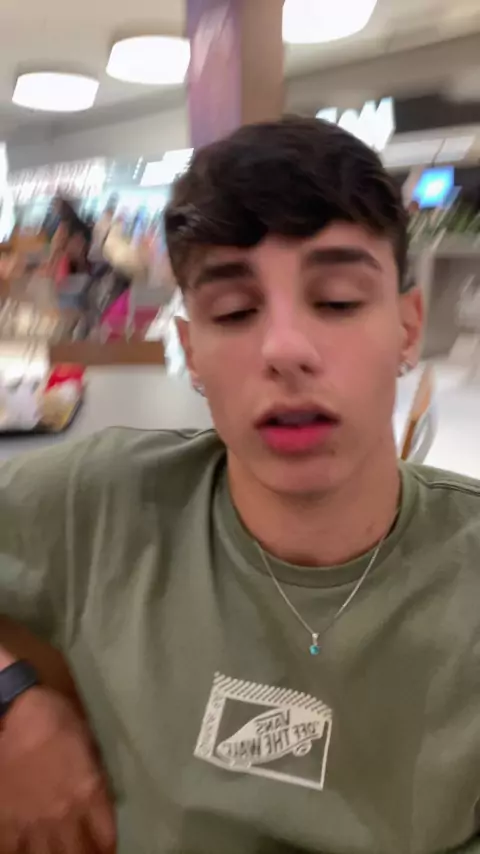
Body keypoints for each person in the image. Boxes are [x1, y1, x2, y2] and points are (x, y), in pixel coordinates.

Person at [1, 117, 479, 854]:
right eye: (234, 312)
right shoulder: (101, 504)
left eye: (338, 301)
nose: (285, 349)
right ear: (191, 351)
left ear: (408, 328)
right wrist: (13, 705)